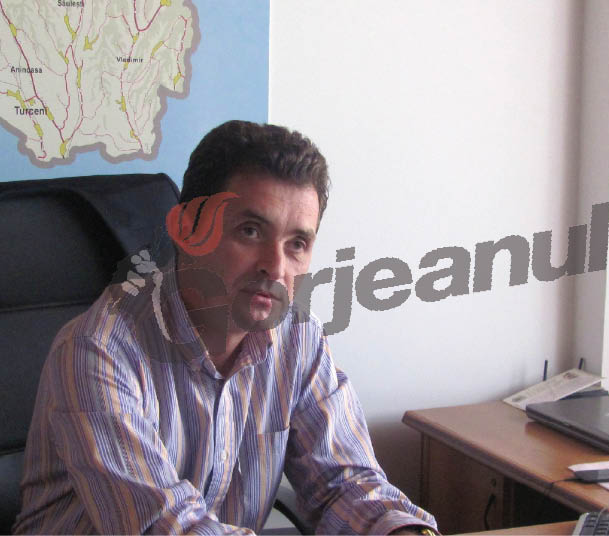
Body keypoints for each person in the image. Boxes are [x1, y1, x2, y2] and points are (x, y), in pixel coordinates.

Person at [13, 121, 438, 535]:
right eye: (250, 231)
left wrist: (403, 531)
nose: (276, 267)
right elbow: (164, 526)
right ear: (185, 229)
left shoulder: (299, 339)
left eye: (297, 244)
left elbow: (344, 482)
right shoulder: (97, 350)